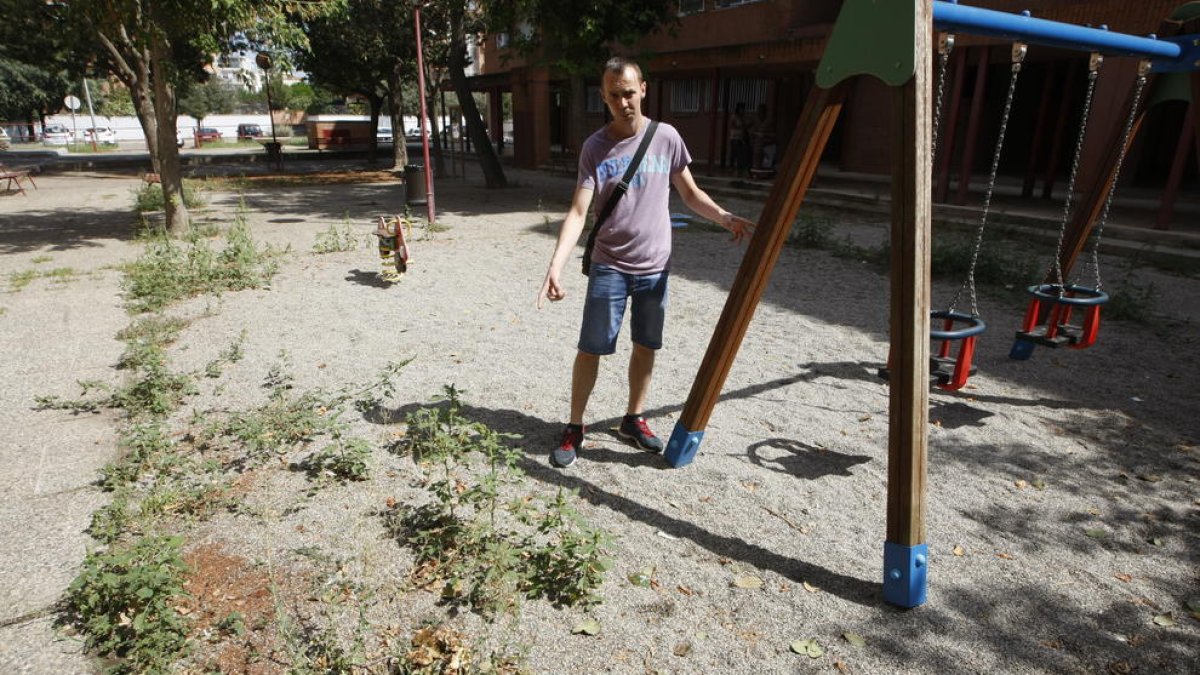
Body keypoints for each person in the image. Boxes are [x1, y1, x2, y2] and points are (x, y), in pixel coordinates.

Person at [536, 57, 756, 469]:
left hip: (655, 267)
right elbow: (579, 212)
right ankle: (575, 426)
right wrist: (556, 265)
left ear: (644, 90)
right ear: (603, 96)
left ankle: (633, 419)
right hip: (610, 266)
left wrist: (723, 216)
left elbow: (689, 194)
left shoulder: (667, 137)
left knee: (646, 344)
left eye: (629, 92)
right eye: (614, 94)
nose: (624, 101)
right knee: (591, 348)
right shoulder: (595, 147)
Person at [728, 102, 752, 176]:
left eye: (743, 109)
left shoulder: (743, 117)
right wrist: (742, 126)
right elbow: (734, 125)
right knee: (734, 152)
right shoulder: (734, 117)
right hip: (735, 137)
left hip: (741, 137)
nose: (742, 110)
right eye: (741, 109)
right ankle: (731, 167)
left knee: (740, 154)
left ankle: (740, 168)